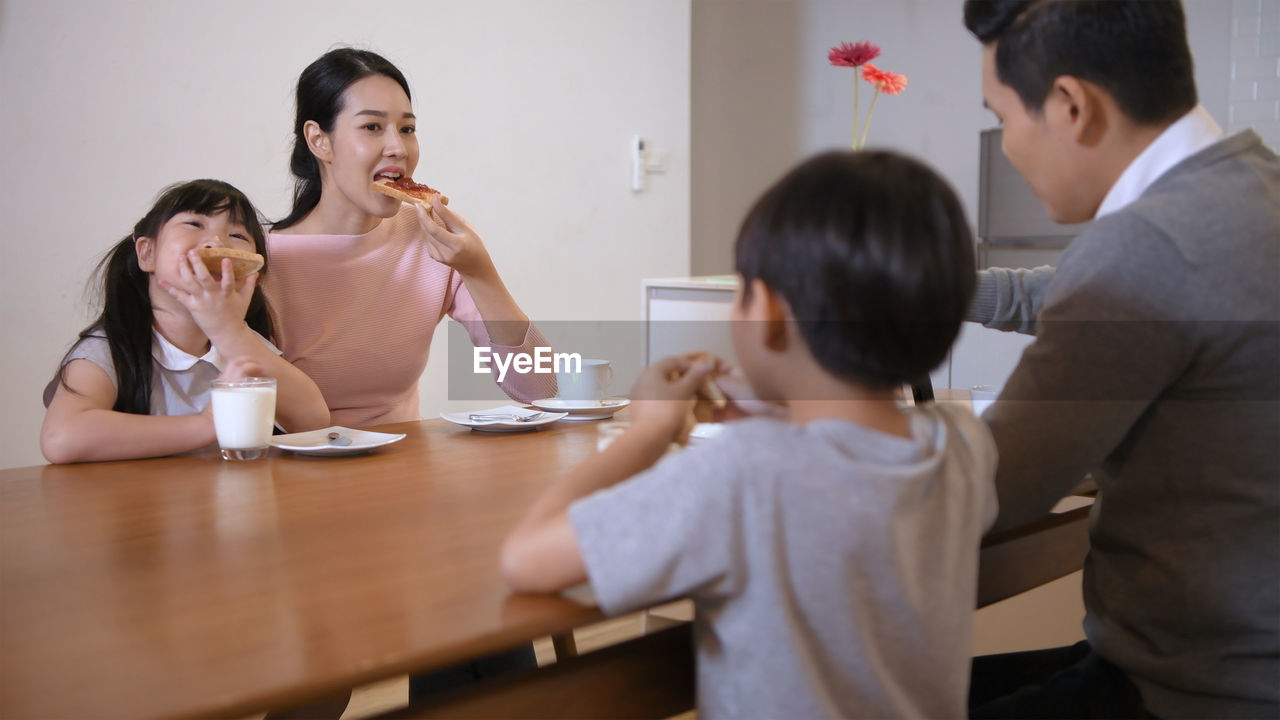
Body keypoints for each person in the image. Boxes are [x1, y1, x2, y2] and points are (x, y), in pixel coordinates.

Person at [502, 150, 998, 718]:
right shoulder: (963, 443)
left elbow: (526, 559)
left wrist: (649, 431)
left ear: (764, 311)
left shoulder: (745, 471)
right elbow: (851, 464)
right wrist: (783, 409)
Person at [962, 1, 1280, 717]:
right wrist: (944, 288)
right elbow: (1084, 299)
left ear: (1072, 105)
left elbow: (989, 493)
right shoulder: (1248, 185)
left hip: (1196, 691)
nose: (1008, 146)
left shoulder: (1145, 247)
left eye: (1004, 117)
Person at [265, 48, 555, 428]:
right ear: (319, 140)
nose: (398, 148)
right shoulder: (260, 260)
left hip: (406, 462)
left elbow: (542, 388)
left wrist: (479, 271)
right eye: (372, 127)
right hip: (295, 466)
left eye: (407, 129)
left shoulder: (430, 238)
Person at [40, 179, 330, 464]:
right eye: (194, 224)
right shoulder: (110, 348)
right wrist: (208, 423)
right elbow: (61, 438)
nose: (215, 242)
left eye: (237, 235)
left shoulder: (243, 343)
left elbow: (312, 422)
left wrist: (228, 330)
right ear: (147, 253)